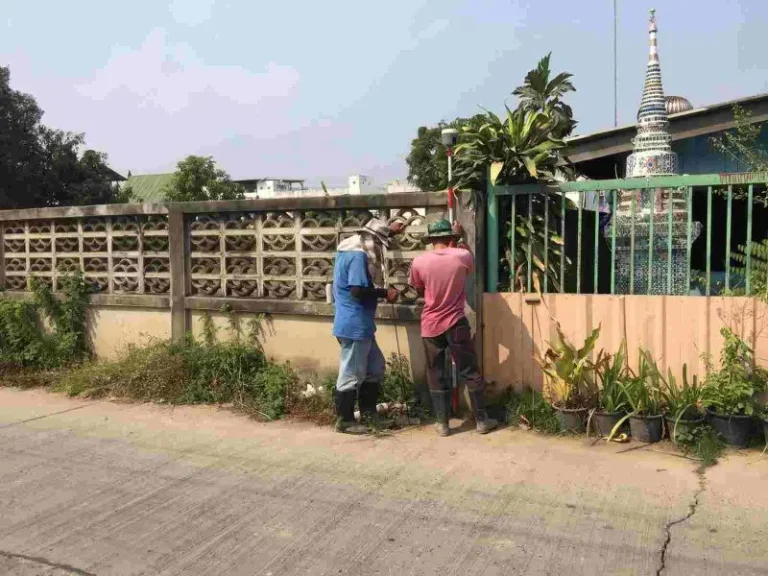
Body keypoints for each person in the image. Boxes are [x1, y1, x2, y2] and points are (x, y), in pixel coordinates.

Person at [408, 219, 498, 437]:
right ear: (451, 238)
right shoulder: (461, 256)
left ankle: (442, 424)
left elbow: (417, 289)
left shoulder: (419, 262)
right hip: (456, 323)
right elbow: (468, 263)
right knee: (469, 370)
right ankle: (482, 421)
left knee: (436, 371)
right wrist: (461, 238)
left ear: (431, 240)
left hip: (430, 325)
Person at [332, 218, 403, 433]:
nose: (380, 249)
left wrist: (390, 231)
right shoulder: (357, 256)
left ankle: (369, 413)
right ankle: (345, 421)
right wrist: (385, 293)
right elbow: (357, 290)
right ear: (371, 241)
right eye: (379, 242)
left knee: (374, 367)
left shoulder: (351, 249)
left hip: (361, 324)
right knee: (351, 373)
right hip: (354, 325)